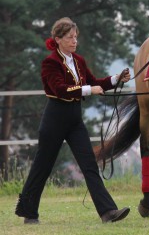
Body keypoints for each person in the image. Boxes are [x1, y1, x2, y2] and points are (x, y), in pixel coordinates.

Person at [15, 17, 131, 224]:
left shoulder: (78, 61)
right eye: (70, 37)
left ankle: (108, 212)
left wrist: (116, 79)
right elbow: (59, 89)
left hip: (75, 121)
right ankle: (28, 212)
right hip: (54, 120)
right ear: (58, 39)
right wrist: (88, 89)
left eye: (75, 37)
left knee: (89, 165)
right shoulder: (50, 63)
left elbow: (95, 82)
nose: (74, 41)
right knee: (42, 167)